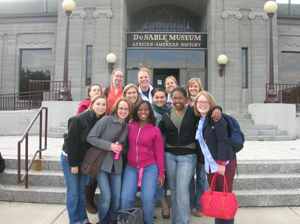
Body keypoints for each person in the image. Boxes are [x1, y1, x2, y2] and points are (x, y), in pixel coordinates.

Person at [158, 87, 221, 224]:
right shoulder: (167, 113)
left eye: (180, 98)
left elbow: (208, 111)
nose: (177, 100)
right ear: (171, 99)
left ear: (186, 99)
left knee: (182, 190)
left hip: (188, 156)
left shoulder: (193, 112)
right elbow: (157, 132)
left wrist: (218, 109)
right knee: (173, 189)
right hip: (170, 155)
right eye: (174, 98)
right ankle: (176, 220)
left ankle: (183, 221)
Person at [61, 94, 108, 224]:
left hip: (85, 161)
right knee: (73, 191)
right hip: (70, 159)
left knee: (81, 191)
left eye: (104, 105)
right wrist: (73, 164)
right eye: (98, 104)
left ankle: (83, 218)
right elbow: (71, 143)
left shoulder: (102, 120)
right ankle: (75, 220)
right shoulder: (79, 119)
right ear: (92, 104)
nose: (101, 107)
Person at [87, 97, 133, 224]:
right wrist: (109, 146)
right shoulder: (106, 120)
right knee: (106, 197)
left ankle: (112, 220)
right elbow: (91, 137)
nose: (123, 111)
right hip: (101, 164)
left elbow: (126, 148)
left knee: (116, 198)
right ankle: (103, 221)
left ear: (129, 111)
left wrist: (121, 148)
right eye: (121, 108)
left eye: (126, 109)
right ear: (116, 109)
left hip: (116, 166)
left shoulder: (127, 127)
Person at [194, 91, 236, 224]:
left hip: (222, 164)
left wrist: (222, 164)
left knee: (225, 197)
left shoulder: (216, 118)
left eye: (205, 102)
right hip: (210, 166)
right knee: (218, 199)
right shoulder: (200, 120)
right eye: (199, 102)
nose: (202, 104)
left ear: (211, 103)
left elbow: (223, 140)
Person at [120, 100, 165, 224]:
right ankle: (126, 221)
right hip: (131, 167)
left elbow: (159, 152)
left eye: (146, 109)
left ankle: (147, 222)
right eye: (140, 109)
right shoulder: (130, 126)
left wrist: (161, 173)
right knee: (125, 198)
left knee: (147, 198)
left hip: (150, 167)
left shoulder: (155, 129)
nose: (143, 112)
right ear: (136, 111)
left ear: (150, 111)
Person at [76, 84, 102, 214]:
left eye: (99, 90)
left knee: (94, 175)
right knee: (88, 177)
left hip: (96, 147)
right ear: (89, 93)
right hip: (85, 147)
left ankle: (91, 201)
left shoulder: (102, 108)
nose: (96, 92)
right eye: (94, 90)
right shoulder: (83, 108)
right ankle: (87, 202)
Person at [186, 78, 206, 217]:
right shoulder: (185, 102)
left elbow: (215, 108)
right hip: (188, 144)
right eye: (191, 86)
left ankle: (200, 205)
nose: (193, 88)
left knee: (201, 177)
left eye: (195, 86)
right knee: (188, 178)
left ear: (200, 88)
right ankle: (189, 204)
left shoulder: (204, 101)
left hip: (202, 146)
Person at [151, 88, 170, 219]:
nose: (159, 99)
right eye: (156, 97)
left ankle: (163, 204)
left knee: (163, 179)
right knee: (152, 178)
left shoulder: (170, 112)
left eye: (162, 97)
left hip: (167, 148)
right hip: (150, 151)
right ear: (152, 98)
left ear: (166, 98)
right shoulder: (148, 110)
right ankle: (156, 205)